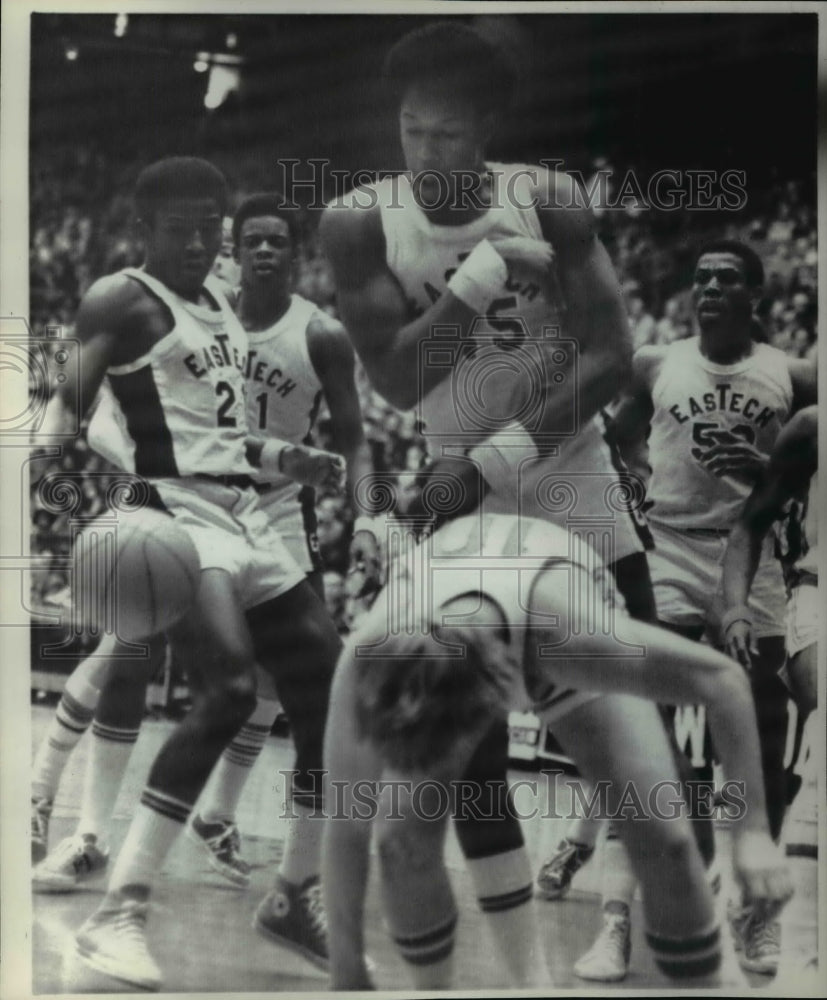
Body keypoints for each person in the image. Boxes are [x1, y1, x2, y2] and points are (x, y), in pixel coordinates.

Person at [318, 20, 737, 988]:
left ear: (490, 130)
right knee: (461, 760)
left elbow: (608, 355)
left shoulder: (547, 198)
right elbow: (394, 378)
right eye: (410, 130)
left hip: (566, 469)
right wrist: (480, 275)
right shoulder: (355, 219)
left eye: (448, 135)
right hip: (450, 477)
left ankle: (627, 922)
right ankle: (520, 979)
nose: (425, 154)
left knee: (643, 741)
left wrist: (496, 457)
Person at [36, 157, 345, 992]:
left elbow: (227, 439)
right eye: (182, 227)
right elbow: (67, 400)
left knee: (332, 685)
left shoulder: (220, 313)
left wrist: (295, 458)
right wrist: (43, 479)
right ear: (147, 228)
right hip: (171, 516)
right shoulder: (120, 297)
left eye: (209, 228)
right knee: (229, 694)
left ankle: (293, 894)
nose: (199, 242)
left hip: (246, 515)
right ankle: (118, 915)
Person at [321, 511, 792, 989]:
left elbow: (723, 680)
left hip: (547, 604)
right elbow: (344, 829)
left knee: (663, 840)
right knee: (399, 838)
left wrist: (752, 832)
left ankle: (713, 984)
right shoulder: (364, 658)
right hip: (469, 601)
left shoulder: (573, 638)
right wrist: (348, 973)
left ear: (494, 696)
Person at [546, 239, 816, 979]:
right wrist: (633, 500)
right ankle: (614, 921)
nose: (709, 289)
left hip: (747, 555)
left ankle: (753, 917)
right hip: (666, 549)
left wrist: (770, 473)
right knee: (641, 726)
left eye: (727, 280)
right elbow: (615, 440)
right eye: (700, 278)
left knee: (759, 743)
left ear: (755, 297)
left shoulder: (792, 375)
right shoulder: (657, 362)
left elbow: (807, 466)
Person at [721, 405, 818, 986]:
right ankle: (796, 952)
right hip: (817, 594)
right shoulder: (812, 425)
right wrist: (734, 605)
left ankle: (760, 905)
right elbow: (750, 524)